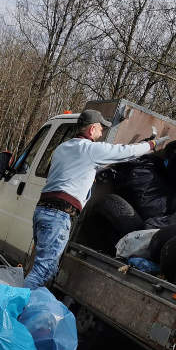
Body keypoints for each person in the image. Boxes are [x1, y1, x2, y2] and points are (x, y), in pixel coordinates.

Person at [24, 110, 156, 289]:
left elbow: (81, 168)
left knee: (48, 268)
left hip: (42, 212)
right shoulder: (90, 149)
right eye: (101, 129)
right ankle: (12, 307)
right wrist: (150, 145)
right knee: (43, 270)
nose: (102, 134)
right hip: (58, 216)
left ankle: (28, 308)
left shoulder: (63, 148)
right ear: (92, 129)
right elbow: (124, 152)